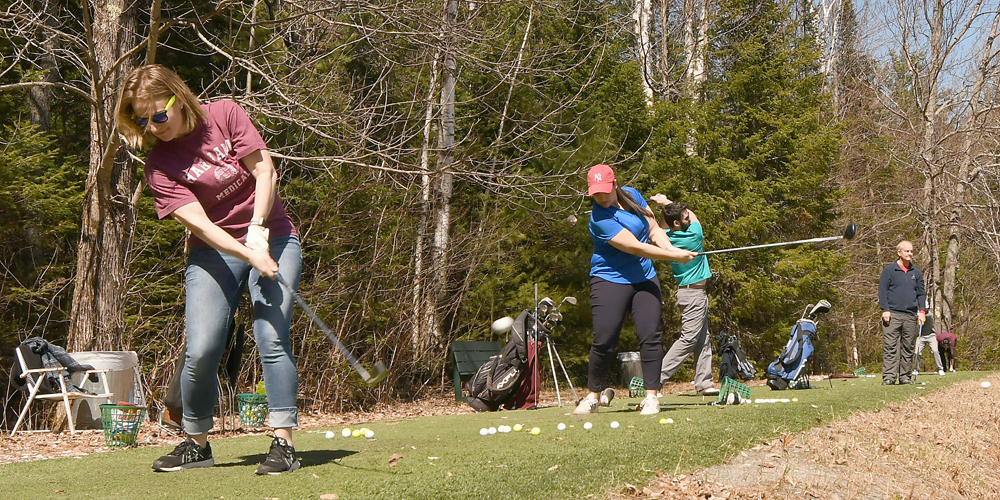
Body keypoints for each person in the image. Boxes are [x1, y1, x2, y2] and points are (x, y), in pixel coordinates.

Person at [114, 65, 302, 475]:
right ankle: (196, 444)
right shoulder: (159, 166)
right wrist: (247, 252)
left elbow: (264, 170)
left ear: (178, 98)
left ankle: (284, 443)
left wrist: (258, 230)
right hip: (213, 250)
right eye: (143, 121)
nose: (154, 127)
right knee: (201, 348)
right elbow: (200, 225)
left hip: (274, 236)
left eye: (158, 115)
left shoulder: (225, 114)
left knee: (271, 334)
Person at [574, 164, 696, 416]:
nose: (601, 197)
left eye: (605, 191)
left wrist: (672, 249)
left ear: (615, 184)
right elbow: (636, 247)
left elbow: (653, 229)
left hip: (644, 277)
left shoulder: (632, 195)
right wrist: (673, 256)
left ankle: (651, 397)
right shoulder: (599, 218)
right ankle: (593, 395)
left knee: (650, 335)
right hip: (609, 278)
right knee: (604, 339)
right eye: (596, 193)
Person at [649, 195, 717, 396]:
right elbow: (695, 219)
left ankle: (704, 383)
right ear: (677, 223)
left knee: (703, 339)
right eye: (684, 217)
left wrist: (666, 209)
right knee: (688, 339)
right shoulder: (693, 236)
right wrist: (666, 202)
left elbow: (662, 226)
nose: (689, 217)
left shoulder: (666, 237)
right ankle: (655, 380)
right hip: (693, 294)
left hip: (690, 293)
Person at [878, 240, 926, 385]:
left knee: (908, 347)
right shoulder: (889, 270)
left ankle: (905, 377)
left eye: (911, 251)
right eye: (907, 251)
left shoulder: (916, 272)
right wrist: (885, 309)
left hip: (910, 315)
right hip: (892, 314)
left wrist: (922, 311)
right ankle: (889, 377)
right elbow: (883, 291)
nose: (910, 254)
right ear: (899, 252)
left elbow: (921, 293)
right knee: (890, 347)